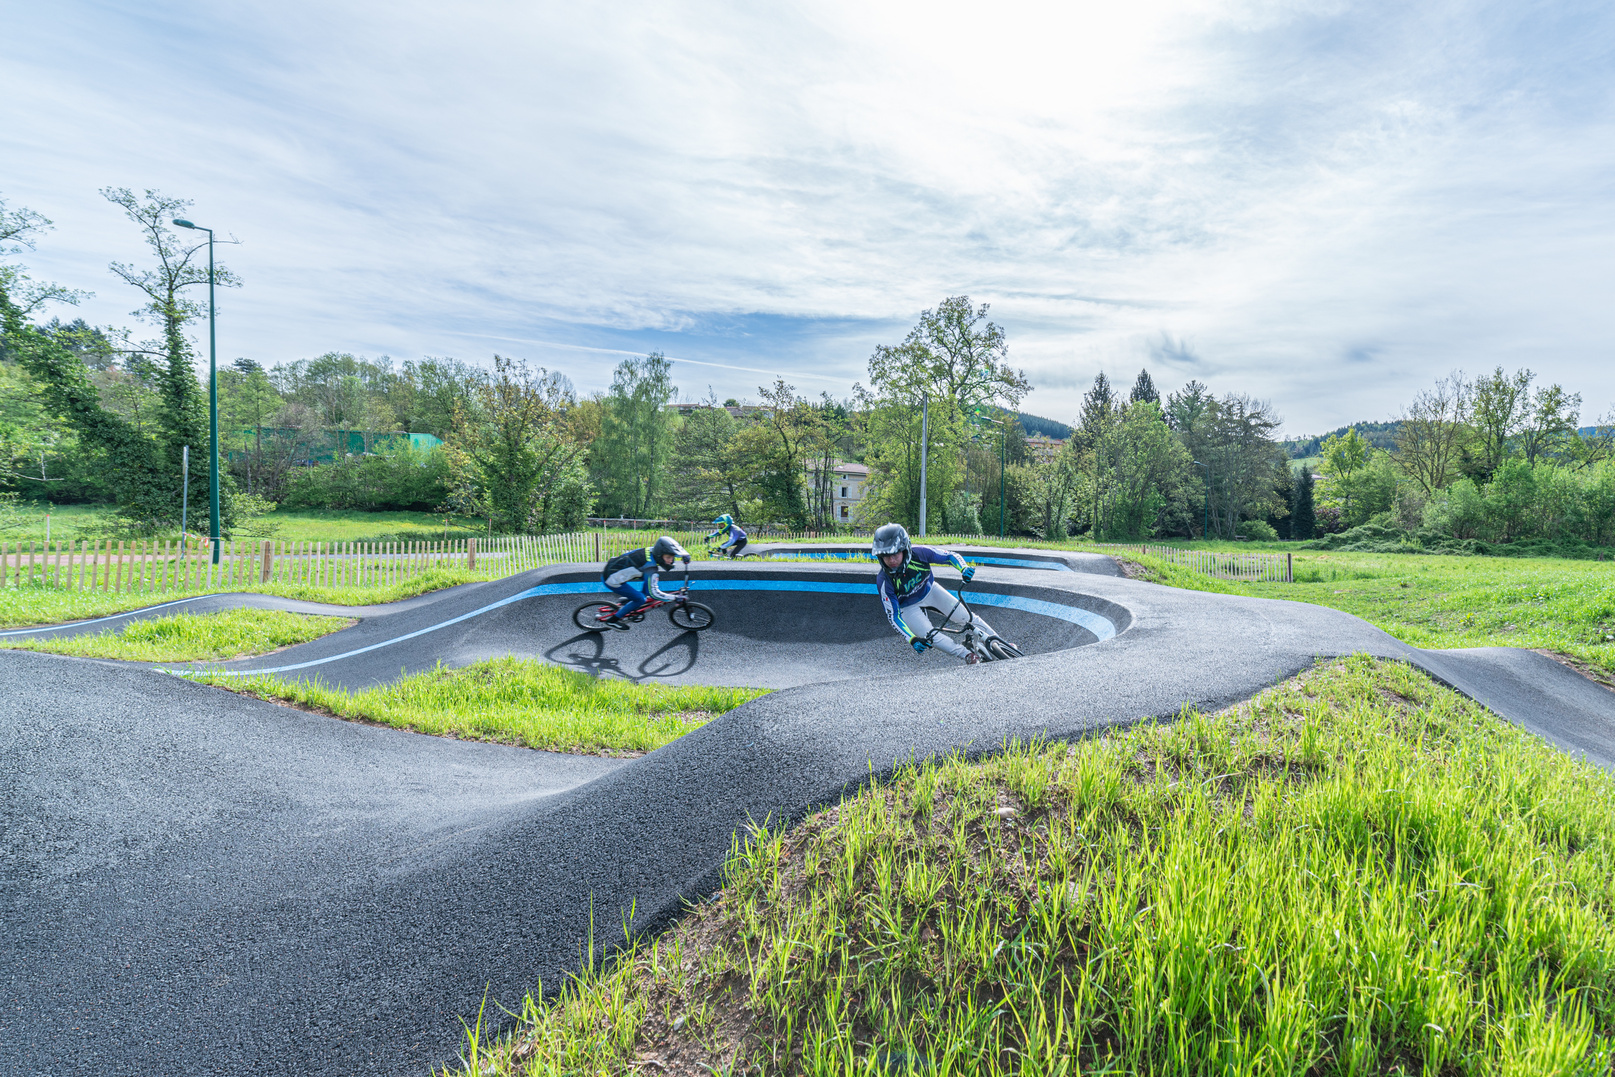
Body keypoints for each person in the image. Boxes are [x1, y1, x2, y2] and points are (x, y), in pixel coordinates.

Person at [871, 522, 993, 664]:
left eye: (895, 554)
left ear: (905, 549)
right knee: (930, 636)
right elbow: (894, 616)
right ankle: (967, 655)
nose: (891, 560)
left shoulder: (920, 553)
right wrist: (911, 638)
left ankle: (999, 642)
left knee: (967, 617)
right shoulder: (883, 581)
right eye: (885, 556)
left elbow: (950, 556)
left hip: (930, 591)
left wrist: (963, 568)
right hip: (908, 607)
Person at [599, 536, 691, 629]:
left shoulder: (651, 551)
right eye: (668, 557)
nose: (671, 560)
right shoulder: (650, 568)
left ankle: (630, 601)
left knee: (648, 584)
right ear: (660, 555)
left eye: (673, 557)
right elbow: (654, 594)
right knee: (641, 599)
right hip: (611, 579)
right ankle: (612, 621)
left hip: (613, 568)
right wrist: (675, 597)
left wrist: (684, 555)